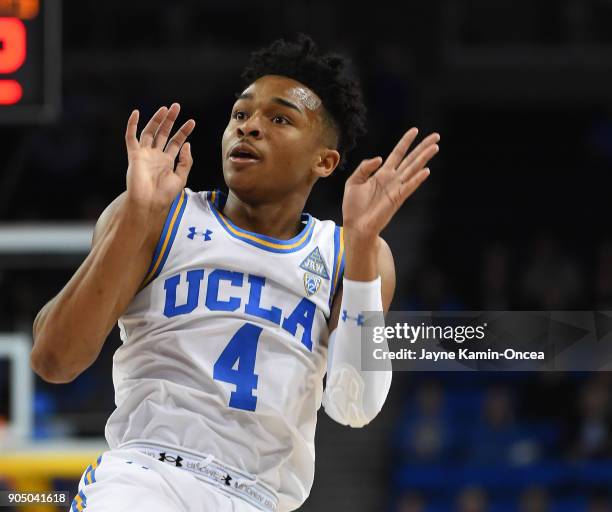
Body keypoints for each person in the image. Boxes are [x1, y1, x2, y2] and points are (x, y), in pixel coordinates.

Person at [30, 35, 440, 512]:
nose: (249, 128)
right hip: (146, 479)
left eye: (279, 118)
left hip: (260, 498)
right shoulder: (161, 215)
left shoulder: (349, 253)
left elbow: (354, 408)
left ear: (324, 161)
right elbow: (54, 360)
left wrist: (365, 248)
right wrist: (136, 215)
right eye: (240, 115)